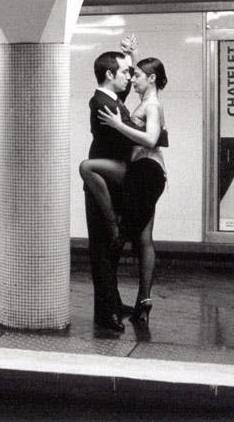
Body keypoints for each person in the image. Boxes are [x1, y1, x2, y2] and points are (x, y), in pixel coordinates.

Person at [89, 56, 168, 326]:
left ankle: (131, 304)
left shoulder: (153, 105)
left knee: (127, 237)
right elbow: (130, 80)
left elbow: (151, 139)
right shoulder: (142, 101)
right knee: (143, 238)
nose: (132, 79)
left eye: (137, 76)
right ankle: (142, 304)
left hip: (147, 173)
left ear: (151, 79)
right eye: (129, 73)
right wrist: (132, 55)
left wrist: (119, 125)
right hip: (141, 173)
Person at [78, 39, 138, 332]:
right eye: (125, 72)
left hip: (110, 181)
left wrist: (130, 55)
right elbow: (126, 138)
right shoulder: (102, 104)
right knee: (102, 249)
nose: (129, 77)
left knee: (111, 248)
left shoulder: (112, 100)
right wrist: (148, 133)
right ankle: (105, 313)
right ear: (109, 75)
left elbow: (127, 88)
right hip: (101, 182)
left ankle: (112, 301)